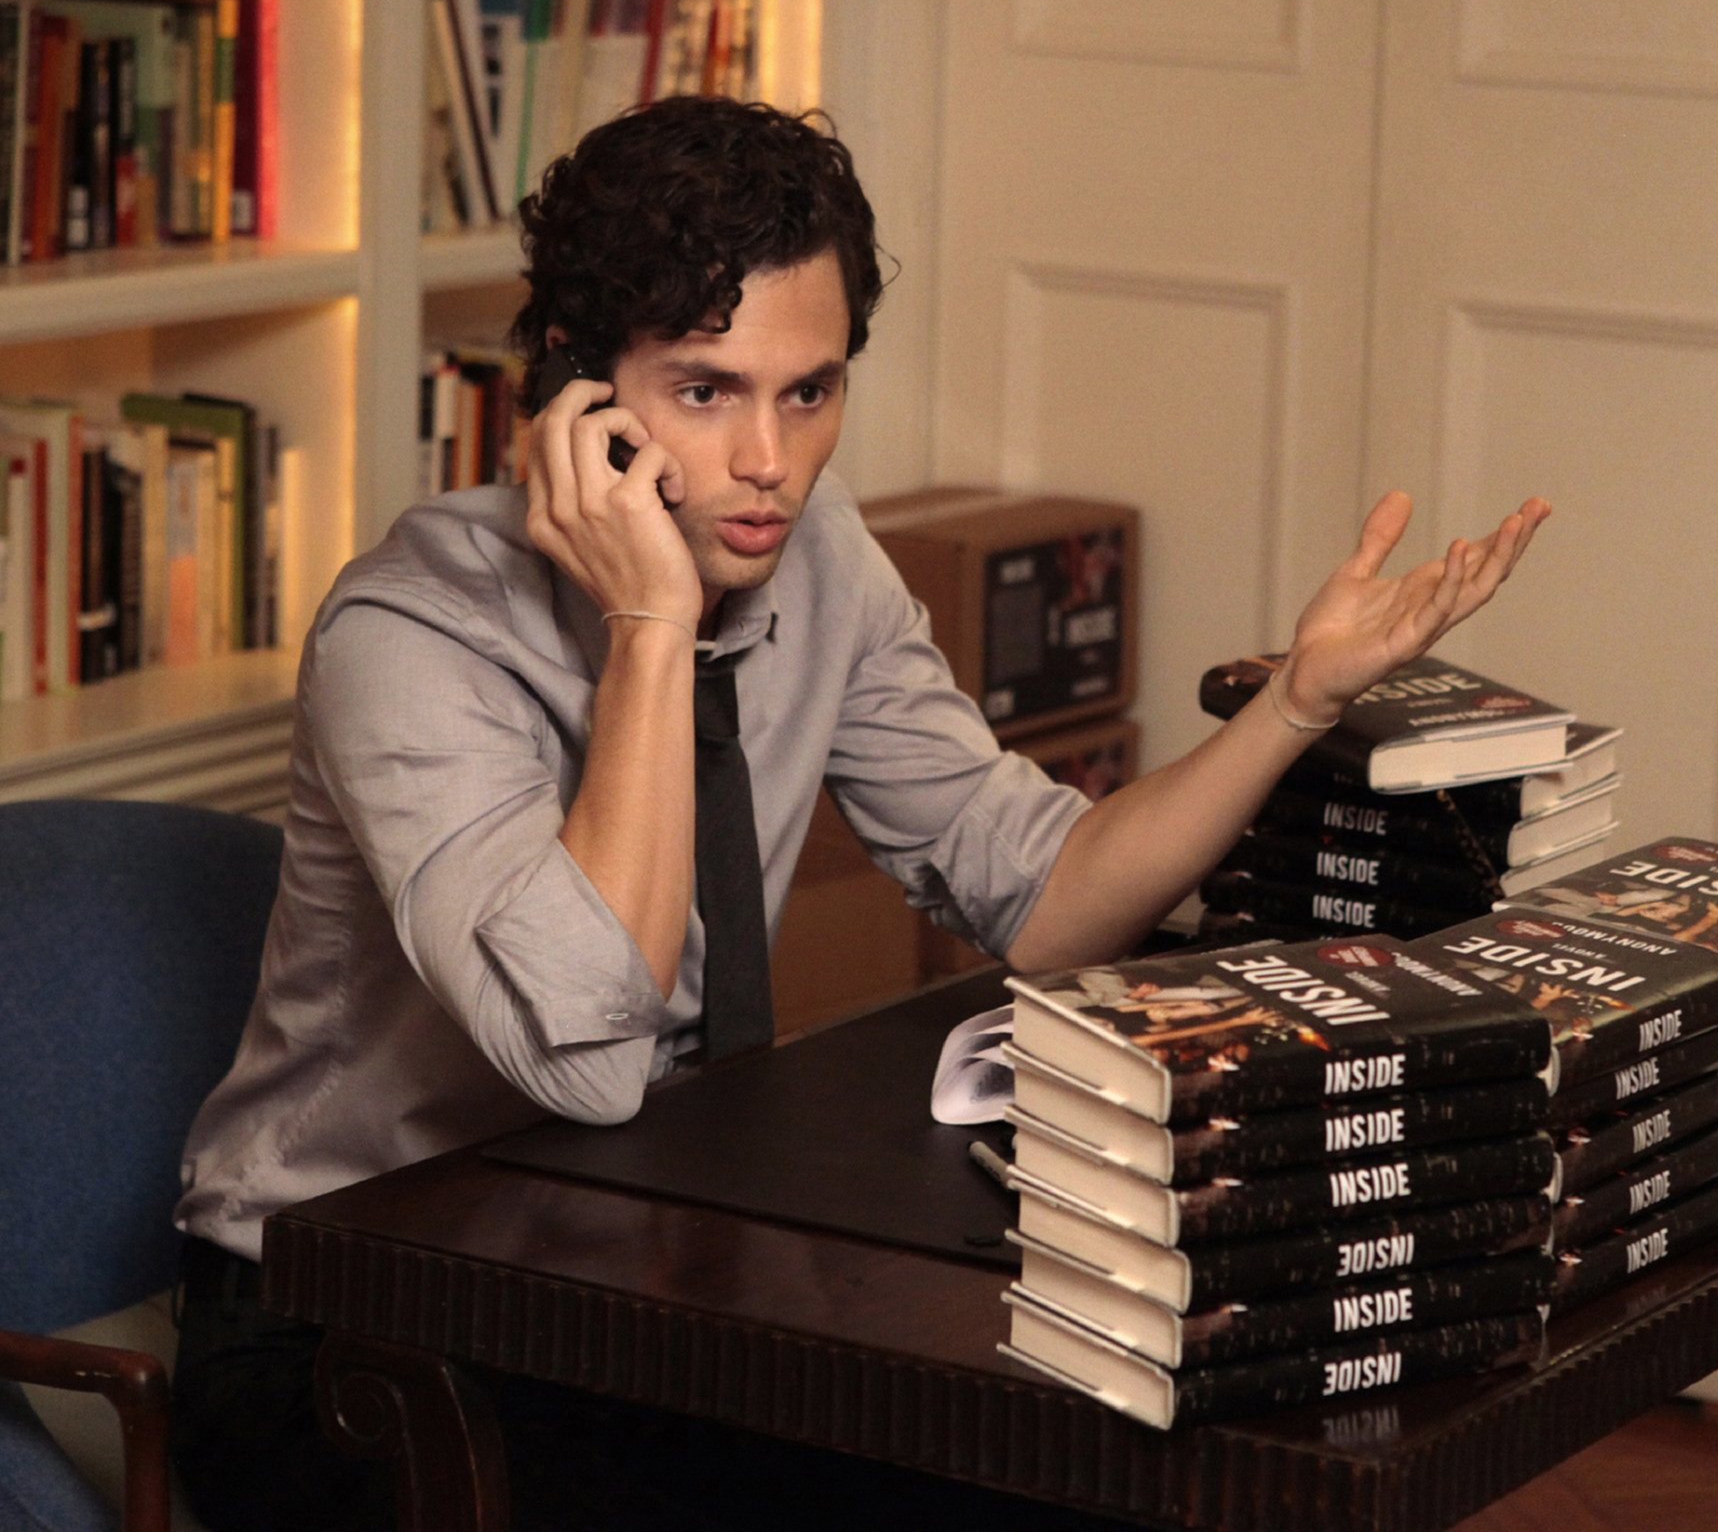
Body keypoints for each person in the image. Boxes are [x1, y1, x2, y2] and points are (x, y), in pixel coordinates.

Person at [168, 96, 1548, 1530]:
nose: (771, 458)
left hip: (636, 1253)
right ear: (578, 397)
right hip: (340, 1313)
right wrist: (652, 619)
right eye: (706, 390)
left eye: (810, 390)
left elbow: (1046, 888)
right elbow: (582, 1052)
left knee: (1090, 1460)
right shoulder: (409, 634)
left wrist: (1295, 705)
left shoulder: (816, 557)